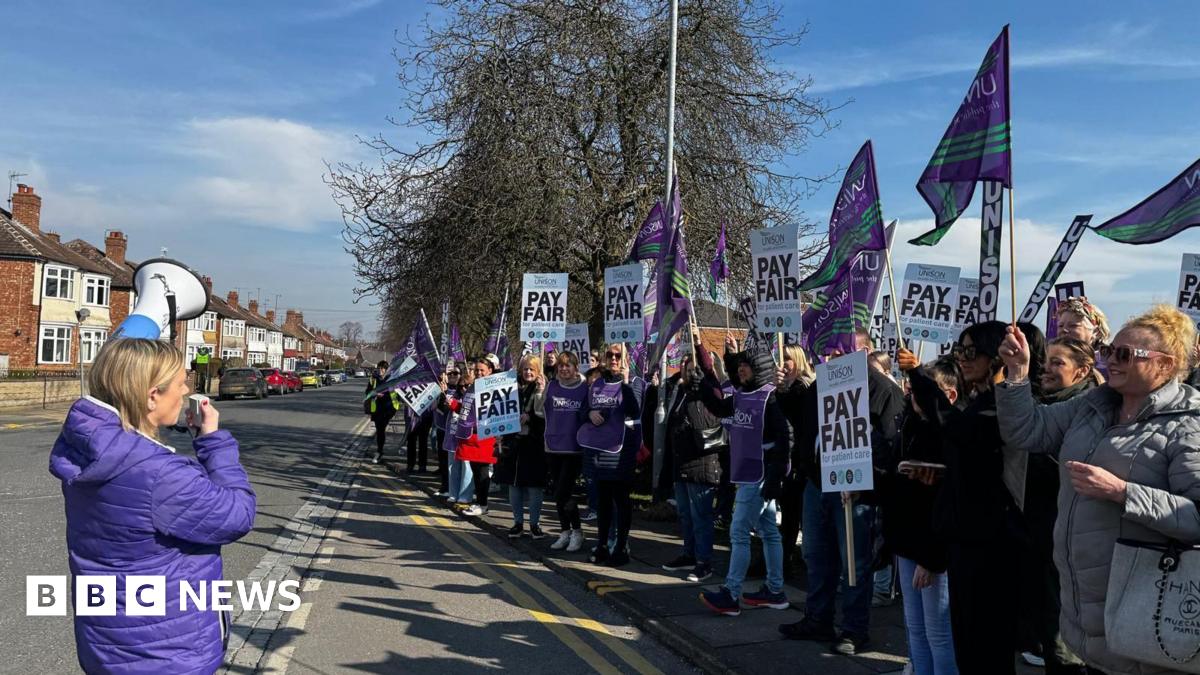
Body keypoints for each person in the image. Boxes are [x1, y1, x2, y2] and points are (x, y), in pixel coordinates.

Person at [997, 305, 1200, 674]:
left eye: (1124, 355)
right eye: (1109, 351)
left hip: (1145, 611)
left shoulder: (1188, 426)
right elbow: (1025, 431)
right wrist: (1016, 372)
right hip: (1083, 608)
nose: (1112, 361)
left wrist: (1124, 492)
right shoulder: (1094, 405)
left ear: (1165, 366)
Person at [50, 338, 256, 674]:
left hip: (106, 645)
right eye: (180, 383)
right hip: (166, 653)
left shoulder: (89, 453)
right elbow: (238, 514)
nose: (187, 388)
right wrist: (212, 442)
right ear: (151, 396)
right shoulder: (161, 475)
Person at [896, 321, 1036, 673]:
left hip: (990, 542)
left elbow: (960, 430)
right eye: (959, 350)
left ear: (997, 355)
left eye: (971, 351)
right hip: (965, 536)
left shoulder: (1003, 406)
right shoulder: (977, 402)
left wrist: (918, 375)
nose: (962, 358)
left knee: (985, 643)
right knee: (966, 641)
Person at [781, 327, 904, 656]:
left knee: (854, 562)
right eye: (830, 353)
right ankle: (817, 618)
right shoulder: (821, 384)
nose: (832, 359)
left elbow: (892, 445)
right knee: (816, 556)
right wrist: (787, 391)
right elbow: (805, 426)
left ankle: (854, 629)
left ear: (864, 354)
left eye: (840, 353)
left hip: (856, 490)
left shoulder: (883, 391)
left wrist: (868, 479)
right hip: (817, 484)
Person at [1017, 337, 1101, 673]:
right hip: (1038, 532)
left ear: (1082, 371)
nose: (1046, 370)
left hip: (1067, 537)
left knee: (1063, 632)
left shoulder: (1089, 411)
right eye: (1046, 361)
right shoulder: (1041, 405)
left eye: (1058, 363)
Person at [696, 344, 791, 616]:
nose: (740, 369)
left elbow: (785, 439)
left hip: (759, 476)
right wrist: (704, 379)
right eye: (739, 365)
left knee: (739, 531)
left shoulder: (771, 398)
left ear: (759, 368)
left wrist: (775, 477)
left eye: (746, 365)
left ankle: (731, 593)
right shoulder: (741, 395)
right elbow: (718, 406)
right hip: (748, 472)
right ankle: (775, 590)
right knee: (769, 532)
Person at [882, 356, 962, 675]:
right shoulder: (909, 425)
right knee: (915, 629)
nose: (913, 395)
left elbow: (949, 506)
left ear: (950, 395)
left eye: (923, 390)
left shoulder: (951, 435)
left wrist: (932, 559)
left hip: (932, 551)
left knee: (940, 634)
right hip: (907, 542)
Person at [649, 352, 726, 583]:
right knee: (685, 514)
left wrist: (698, 343)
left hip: (702, 462)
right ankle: (689, 554)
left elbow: (708, 369)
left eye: (694, 369)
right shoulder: (681, 392)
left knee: (700, 516)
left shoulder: (709, 389)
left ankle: (704, 562)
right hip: (681, 462)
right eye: (686, 368)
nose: (690, 372)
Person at [578, 344, 642, 567]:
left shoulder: (634, 383)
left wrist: (624, 382)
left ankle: (622, 545)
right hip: (600, 452)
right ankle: (603, 544)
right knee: (603, 502)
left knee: (621, 501)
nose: (614, 359)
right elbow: (582, 411)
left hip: (622, 452)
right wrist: (590, 412)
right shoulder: (597, 384)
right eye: (610, 355)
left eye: (618, 355)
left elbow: (635, 410)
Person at [773, 344, 815, 579]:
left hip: (803, 461)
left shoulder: (803, 387)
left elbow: (794, 413)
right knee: (790, 513)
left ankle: (792, 559)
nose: (784, 363)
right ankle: (786, 557)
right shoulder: (793, 387)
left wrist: (781, 391)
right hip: (795, 457)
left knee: (797, 514)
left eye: (788, 358)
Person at [496, 354, 549, 539]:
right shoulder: (512, 387)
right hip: (514, 443)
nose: (528, 372)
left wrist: (531, 417)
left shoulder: (543, 388)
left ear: (538, 371)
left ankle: (535, 524)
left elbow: (545, 415)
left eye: (531, 369)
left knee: (534, 487)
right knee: (514, 485)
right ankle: (518, 523)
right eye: (525, 369)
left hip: (534, 444)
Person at [543, 351, 589, 553]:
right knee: (558, 493)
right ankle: (564, 531)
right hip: (553, 445)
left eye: (568, 365)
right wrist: (538, 392)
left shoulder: (584, 388)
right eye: (560, 366)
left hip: (574, 447)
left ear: (575, 367)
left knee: (564, 492)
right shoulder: (551, 386)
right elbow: (540, 410)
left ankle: (577, 532)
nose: (563, 369)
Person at [448, 355, 500, 516]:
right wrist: (453, 404)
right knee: (476, 472)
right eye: (476, 370)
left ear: (490, 371)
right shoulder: (472, 387)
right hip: (470, 437)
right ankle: (479, 503)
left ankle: (482, 504)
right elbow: (466, 410)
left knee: (482, 472)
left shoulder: (495, 388)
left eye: (482, 370)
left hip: (484, 437)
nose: (478, 373)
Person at [440, 362, 475, 506]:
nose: (464, 388)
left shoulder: (473, 398)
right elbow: (443, 410)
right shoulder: (452, 395)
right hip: (453, 437)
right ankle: (453, 493)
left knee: (466, 467)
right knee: (452, 467)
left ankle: (465, 495)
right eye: (461, 386)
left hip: (466, 437)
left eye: (467, 386)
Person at [366, 360, 401, 464]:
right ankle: (380, 451)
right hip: (377, 408)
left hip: (389, 408)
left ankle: (379, 451)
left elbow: (398, 393)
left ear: (387, 370)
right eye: (379, 368)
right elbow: (367, 392)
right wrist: (375, 394)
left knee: (381, 428)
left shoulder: (392, 379)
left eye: (382, 369)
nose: (380, 370)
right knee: (379, 430)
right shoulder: (373, 379)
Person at [434, 366, 460, 497]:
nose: (453, 376)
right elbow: (438, 409)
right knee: (443, 461)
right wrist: (441, 394)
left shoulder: (462, 390)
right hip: (442, 429)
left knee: (456, 463)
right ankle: (445, 487)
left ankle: (455, 490)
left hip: (456, 431)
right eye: (450, 374)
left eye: (456, 373)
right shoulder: (443, 389)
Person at [405, 406, 433, 473]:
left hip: (425, 415)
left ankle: (422, 466)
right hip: (412, 416)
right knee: (411, 442)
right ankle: (410, 465)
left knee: (423, 442)